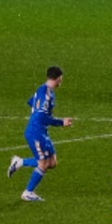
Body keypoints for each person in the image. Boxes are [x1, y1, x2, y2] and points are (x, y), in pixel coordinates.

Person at [7, 66, 73, 203]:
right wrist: (61, 122)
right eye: (61, 78)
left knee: (52, 162)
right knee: (43, 164)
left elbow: (31, 102)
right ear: (58, 78)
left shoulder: (42, 89)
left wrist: (37, 114)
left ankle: (20, 162)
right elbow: (42, 116)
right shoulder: (47, 95)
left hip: (41, 132)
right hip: (36, 133)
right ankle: (28, 192)